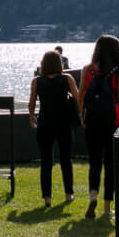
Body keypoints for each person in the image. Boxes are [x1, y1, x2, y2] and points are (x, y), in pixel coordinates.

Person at [79, 35, 119, 219]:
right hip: (112, 121)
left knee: (94, 161)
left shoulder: (87, 70)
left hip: (92, 119)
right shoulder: (118, 72)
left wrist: (82, 116)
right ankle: (107, 207)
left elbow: (81, 95)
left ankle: (93, 196)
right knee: (110, 163)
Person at [27, 50, 81, 206]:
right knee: (66, 160)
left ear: (43, 64)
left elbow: (31, 102)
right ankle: (69, 193)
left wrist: (31, 117)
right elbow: (78, 98)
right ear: (59, 63)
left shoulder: (37, 81)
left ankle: (47, 197)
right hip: (64, 122)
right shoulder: (67, 78)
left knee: (46, 161)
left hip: (45, 122)